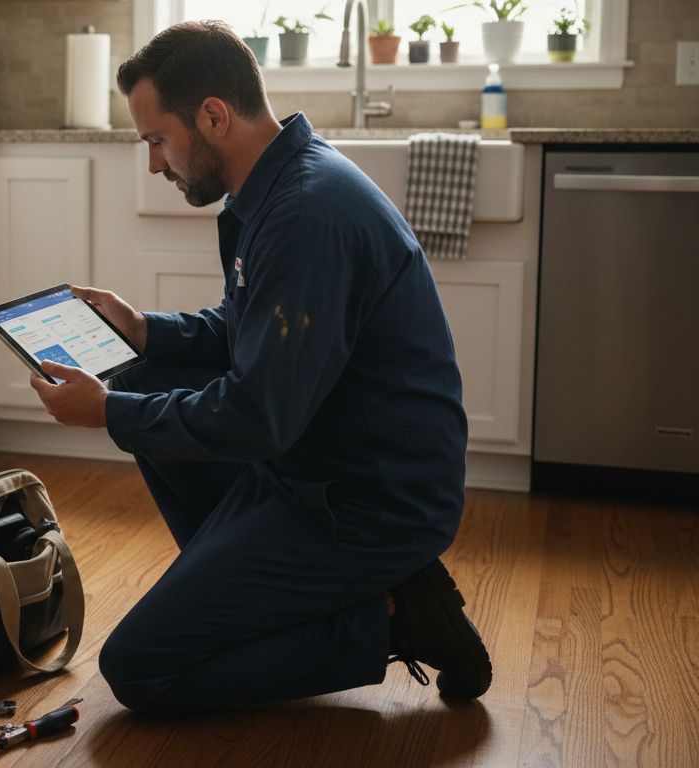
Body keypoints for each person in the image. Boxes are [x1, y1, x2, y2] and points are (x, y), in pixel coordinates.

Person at [28, 20, 492, 713]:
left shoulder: (306, 214)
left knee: (140, 670)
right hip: (319, 463)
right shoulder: (276, 189)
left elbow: (257, 415)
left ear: (213, 116)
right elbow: (251, 333)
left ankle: (397, 616)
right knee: (140, 373)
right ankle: (251, 589)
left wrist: (106, 413)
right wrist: (143, 329)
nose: (155, 163)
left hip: (370, 504)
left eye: (158, 139)